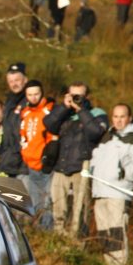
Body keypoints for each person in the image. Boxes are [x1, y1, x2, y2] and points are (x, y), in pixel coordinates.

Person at [43, 81, 108, 236]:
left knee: (80, 214)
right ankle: (59, 241)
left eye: (79, 96)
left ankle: (78, 244)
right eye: (73, 95)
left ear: (87, 97)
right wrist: (63, 107)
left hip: (81, 169)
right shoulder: (64, 113)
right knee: (58, 210)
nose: (76, 99)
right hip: (60, 167)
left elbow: (96, 132)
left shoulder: (96, 113)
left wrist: (81, 110)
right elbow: (48, 124)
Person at [89, 104, 133, 265]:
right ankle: (107, 264)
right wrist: (92, 173)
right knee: (103, 230)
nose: (119, 120)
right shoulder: (107, 137)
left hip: (118, 193)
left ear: (129, 118)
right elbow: (95, 157)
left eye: (122, 117)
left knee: (117, 230)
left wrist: (124, 173)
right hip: (99, 191)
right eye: (115, 116)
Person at [19, 79, 56, 230]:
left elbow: (53, 136)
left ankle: (48, 233)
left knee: (47, 202)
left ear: (42, 93)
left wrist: (49, 157)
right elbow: (23, 136)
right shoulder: (25, 112)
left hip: (46, 165)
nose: (33, 97)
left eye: (36, 94)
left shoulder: (49, 110)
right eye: (30, 95)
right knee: (35, 203)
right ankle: (38, 233)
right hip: (31, 165)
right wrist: (25, 155)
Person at [0, 63, 29, 178]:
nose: (14, 84)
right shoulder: (9, 101)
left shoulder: (29, 101)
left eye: (17, 80)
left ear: (25, 80)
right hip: (9, 162)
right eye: (11, 81)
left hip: (24, 165)